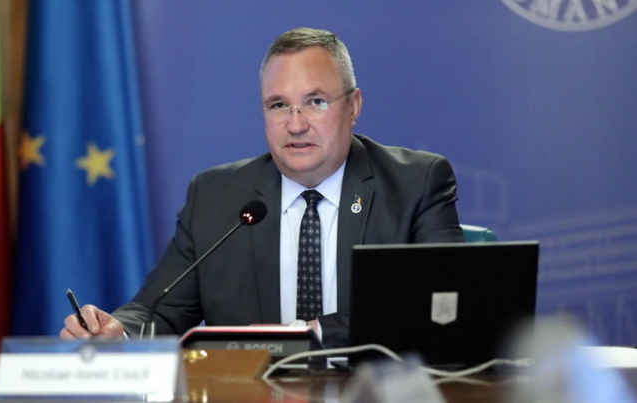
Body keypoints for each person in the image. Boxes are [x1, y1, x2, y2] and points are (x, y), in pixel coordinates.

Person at [61, 27, 463, 348]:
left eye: (316, 102)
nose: (296, 124)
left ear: (353, 106)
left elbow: (441, 305)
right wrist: (119, 332)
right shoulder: (215, 197)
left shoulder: (415, 184)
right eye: (278, 105)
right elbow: (159, 309)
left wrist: (308, 335)